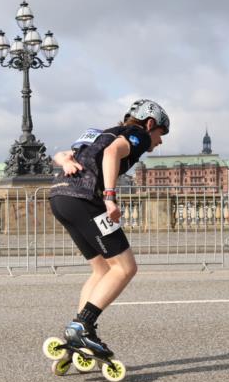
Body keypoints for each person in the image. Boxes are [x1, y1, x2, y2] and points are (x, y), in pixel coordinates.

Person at [48, 99, 170, 362]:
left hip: (60, 197)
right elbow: (114, 152)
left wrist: (63, 159)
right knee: (126, 268)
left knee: (102, 270)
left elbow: (64, 154)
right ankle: (82, 327)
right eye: (160, 134)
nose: (160, 142)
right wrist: (110, 198)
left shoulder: (102, 132)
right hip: (87, 200)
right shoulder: (136, 134)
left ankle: (77, 331)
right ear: (150, 124)